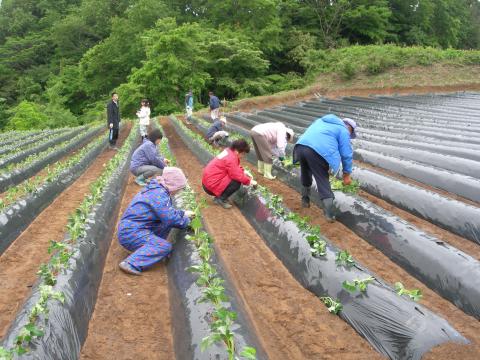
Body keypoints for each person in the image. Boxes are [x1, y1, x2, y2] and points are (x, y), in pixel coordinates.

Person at [118, 167, 195, 275]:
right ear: (173, 185)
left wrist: (182, 213)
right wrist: (186, 221)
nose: (179, 191)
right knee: (164, 246)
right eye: (179, 188)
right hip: (131, 233)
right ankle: (131, 263)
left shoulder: (157, 189)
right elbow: (170, 218)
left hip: (133, 228)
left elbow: (167, 212)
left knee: (164, 223)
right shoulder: (159, 195)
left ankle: (148, 247)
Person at [293, 114, 356, 222]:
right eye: (351, 133)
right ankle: (329, 214)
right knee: (322, 179)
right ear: (349, 128)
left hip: (300, 147)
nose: (349, 135)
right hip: (317, 152)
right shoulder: (343, 130)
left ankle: (305, 200)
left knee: (306, 172)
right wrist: (346, 175)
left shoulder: (321, 121)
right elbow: (346, 154)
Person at [202, 139, 256, 209]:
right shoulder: (231, 158)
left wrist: (244, 171)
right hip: (210, 186)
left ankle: (220, 197)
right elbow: (236, 174)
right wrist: (250, 181)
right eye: (243, 153)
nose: (243, 156)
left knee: (235, 176)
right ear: (237, 151)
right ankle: (221, 199)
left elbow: (233, 167)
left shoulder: (228, 151)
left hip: (208, 182)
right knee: (236, 182)